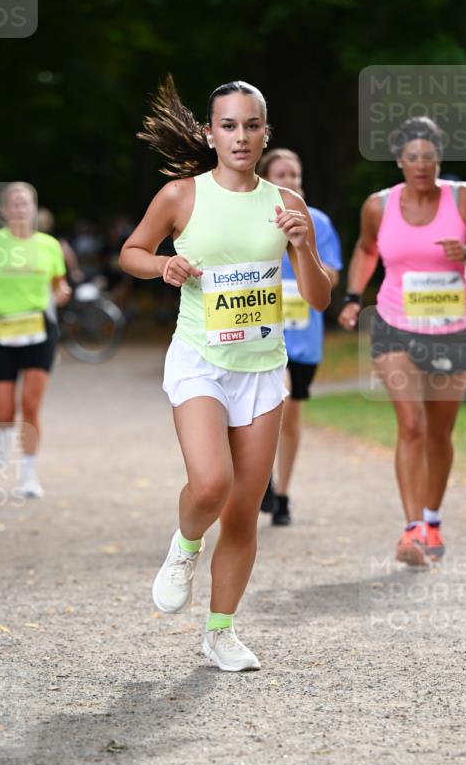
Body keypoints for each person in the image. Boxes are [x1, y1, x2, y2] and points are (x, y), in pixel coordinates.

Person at [119, 77, 331, 671]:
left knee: (242, 508)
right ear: (211, 133)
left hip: (262, 369)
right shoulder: (181, 196)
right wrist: (164, 264)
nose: (240, 137)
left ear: (267, 133)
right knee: (211, 484)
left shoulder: (288, 205)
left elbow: (318, 297)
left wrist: (304, 247)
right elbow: (131, 252)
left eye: (252, 125)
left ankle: (220, 632)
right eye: (229, 126)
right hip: (199, 360)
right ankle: (184, 545)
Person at [338, 117, 466, 566]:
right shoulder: (378, 205)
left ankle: (432, 518)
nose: (422, 165)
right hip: (394, 324)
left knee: (439, 433)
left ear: (439, 159)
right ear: (399, 161)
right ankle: (412, 532)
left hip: (451, 328)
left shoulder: (463, 197)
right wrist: (353, 297)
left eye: (429, 156)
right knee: (410, 425)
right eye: (413, 157)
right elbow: (367, 249)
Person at [0, 182, 71, 497]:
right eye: (13, 203)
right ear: (4, 210)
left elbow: (59, 285)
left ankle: (28, 475)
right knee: (4, 411)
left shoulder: (49, 245)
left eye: (25, 203)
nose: (19, 208)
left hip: (38, 328)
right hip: (1, 329)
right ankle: (1, 435)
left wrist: (63, 293)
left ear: (33, 208)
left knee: (30, 406)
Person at [257, 148, 342, 525]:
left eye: (295, 174)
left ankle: (282, 492)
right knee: (280, 404)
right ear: (264, 179)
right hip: (260, 333)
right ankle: (263, 480)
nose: (290, 181)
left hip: (304, 339)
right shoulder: (251, 218)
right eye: (282, 174)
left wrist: (302, 249)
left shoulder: (318, 222)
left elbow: (332, 279)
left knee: (291, 417)